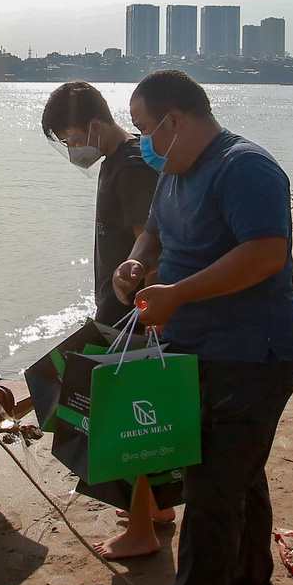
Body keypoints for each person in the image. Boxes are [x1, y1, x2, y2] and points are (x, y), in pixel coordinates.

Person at [110, 70, 293, 585]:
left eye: (146, 130)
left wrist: (180, 294)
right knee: (239, 475)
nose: (143, 142)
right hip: (195, 349)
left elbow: (266, 253)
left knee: (213, 486)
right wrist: (135, 264)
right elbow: (155, 232)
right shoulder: (173, 172)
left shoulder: (245, 167)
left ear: (176, 119)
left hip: (252, 353)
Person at [41, 79, 174, 558]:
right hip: (117, 307)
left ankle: (141, 532)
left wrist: (142, 307)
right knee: (136, 413)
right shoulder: (116, 162)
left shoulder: (134, 167)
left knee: (130, 420)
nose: (73, 149)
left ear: (95, 126)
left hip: (133, 312)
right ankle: (156, 508)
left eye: (73, 139)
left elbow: (151, 245)